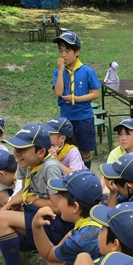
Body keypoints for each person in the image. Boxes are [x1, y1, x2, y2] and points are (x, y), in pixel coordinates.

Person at [0, 124, 72, 265]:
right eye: (16, 148)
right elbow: (22, 192)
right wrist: (10, 207)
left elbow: (57, 208)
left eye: (23, 149)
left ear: (40, 152)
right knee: (4, 215)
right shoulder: (25, 164)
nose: (17, 153)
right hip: (39, 216)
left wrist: (27, 199)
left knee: (2, 220)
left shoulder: (50, 168)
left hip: (56, 223)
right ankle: (25, 247)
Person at [29, 170, 103, 265]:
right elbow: (69, 235)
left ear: (75, 207)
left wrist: (35, 227)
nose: (56, 200)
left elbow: (48, 254)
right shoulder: (100, 212)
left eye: (61, 197)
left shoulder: (80, 240)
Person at [52, 31, 101, 169]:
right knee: (65, 149)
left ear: (77, 51)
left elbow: (95, 94)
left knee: (85, 150)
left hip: (83, 117)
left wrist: (77, 99)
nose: (63, 55)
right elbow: (58, 92)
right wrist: (61, 71)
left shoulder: (87, 71)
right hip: (66, 118)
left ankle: (85, 175)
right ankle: (68, 174)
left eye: (67, 51)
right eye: (61, 51)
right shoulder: (58, 72)